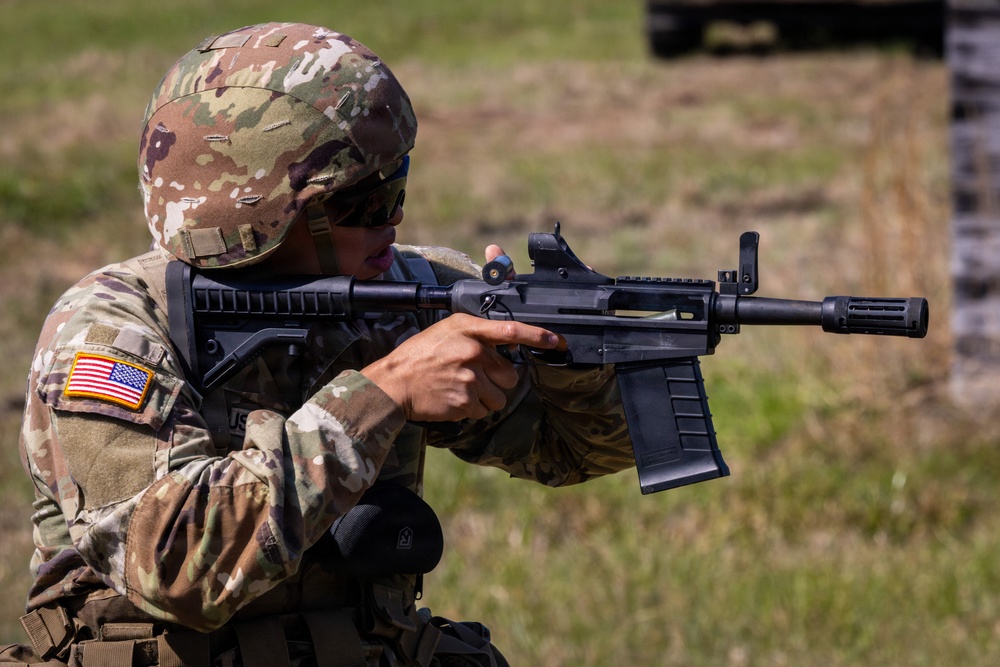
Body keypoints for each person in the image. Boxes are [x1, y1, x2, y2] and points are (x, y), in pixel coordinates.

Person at [3, 22, 633, 667]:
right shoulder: (113, 332)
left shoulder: (406, 292)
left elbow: (574, 452)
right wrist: (382, 395)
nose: (395, 218)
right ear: (258, 217)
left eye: (397, 184)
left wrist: (571, 356)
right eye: (365, 201)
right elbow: (174, 566)